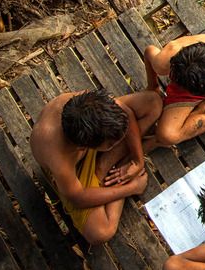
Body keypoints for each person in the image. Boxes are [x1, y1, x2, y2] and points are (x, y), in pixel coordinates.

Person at [30, 89, 162, 245]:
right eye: (112, 144)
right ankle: (113, 171)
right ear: (83, 148)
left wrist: (137, 159)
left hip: (93, 140)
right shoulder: (60, 160)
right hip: (75, 170)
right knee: (101, 232)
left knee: (152, 102)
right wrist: (131, 188)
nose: (118, 142)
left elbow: (126, 112)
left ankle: (106, 167)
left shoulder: (88, 104)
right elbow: (77, 198)